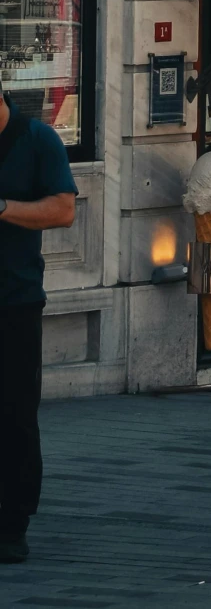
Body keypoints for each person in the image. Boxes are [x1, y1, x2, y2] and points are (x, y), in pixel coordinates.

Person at [0, 80, 78, 562]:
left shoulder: (38, 140)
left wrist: (3, 208)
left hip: (14, 303)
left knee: (14, 416)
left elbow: (65, 209)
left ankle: (11, 524)